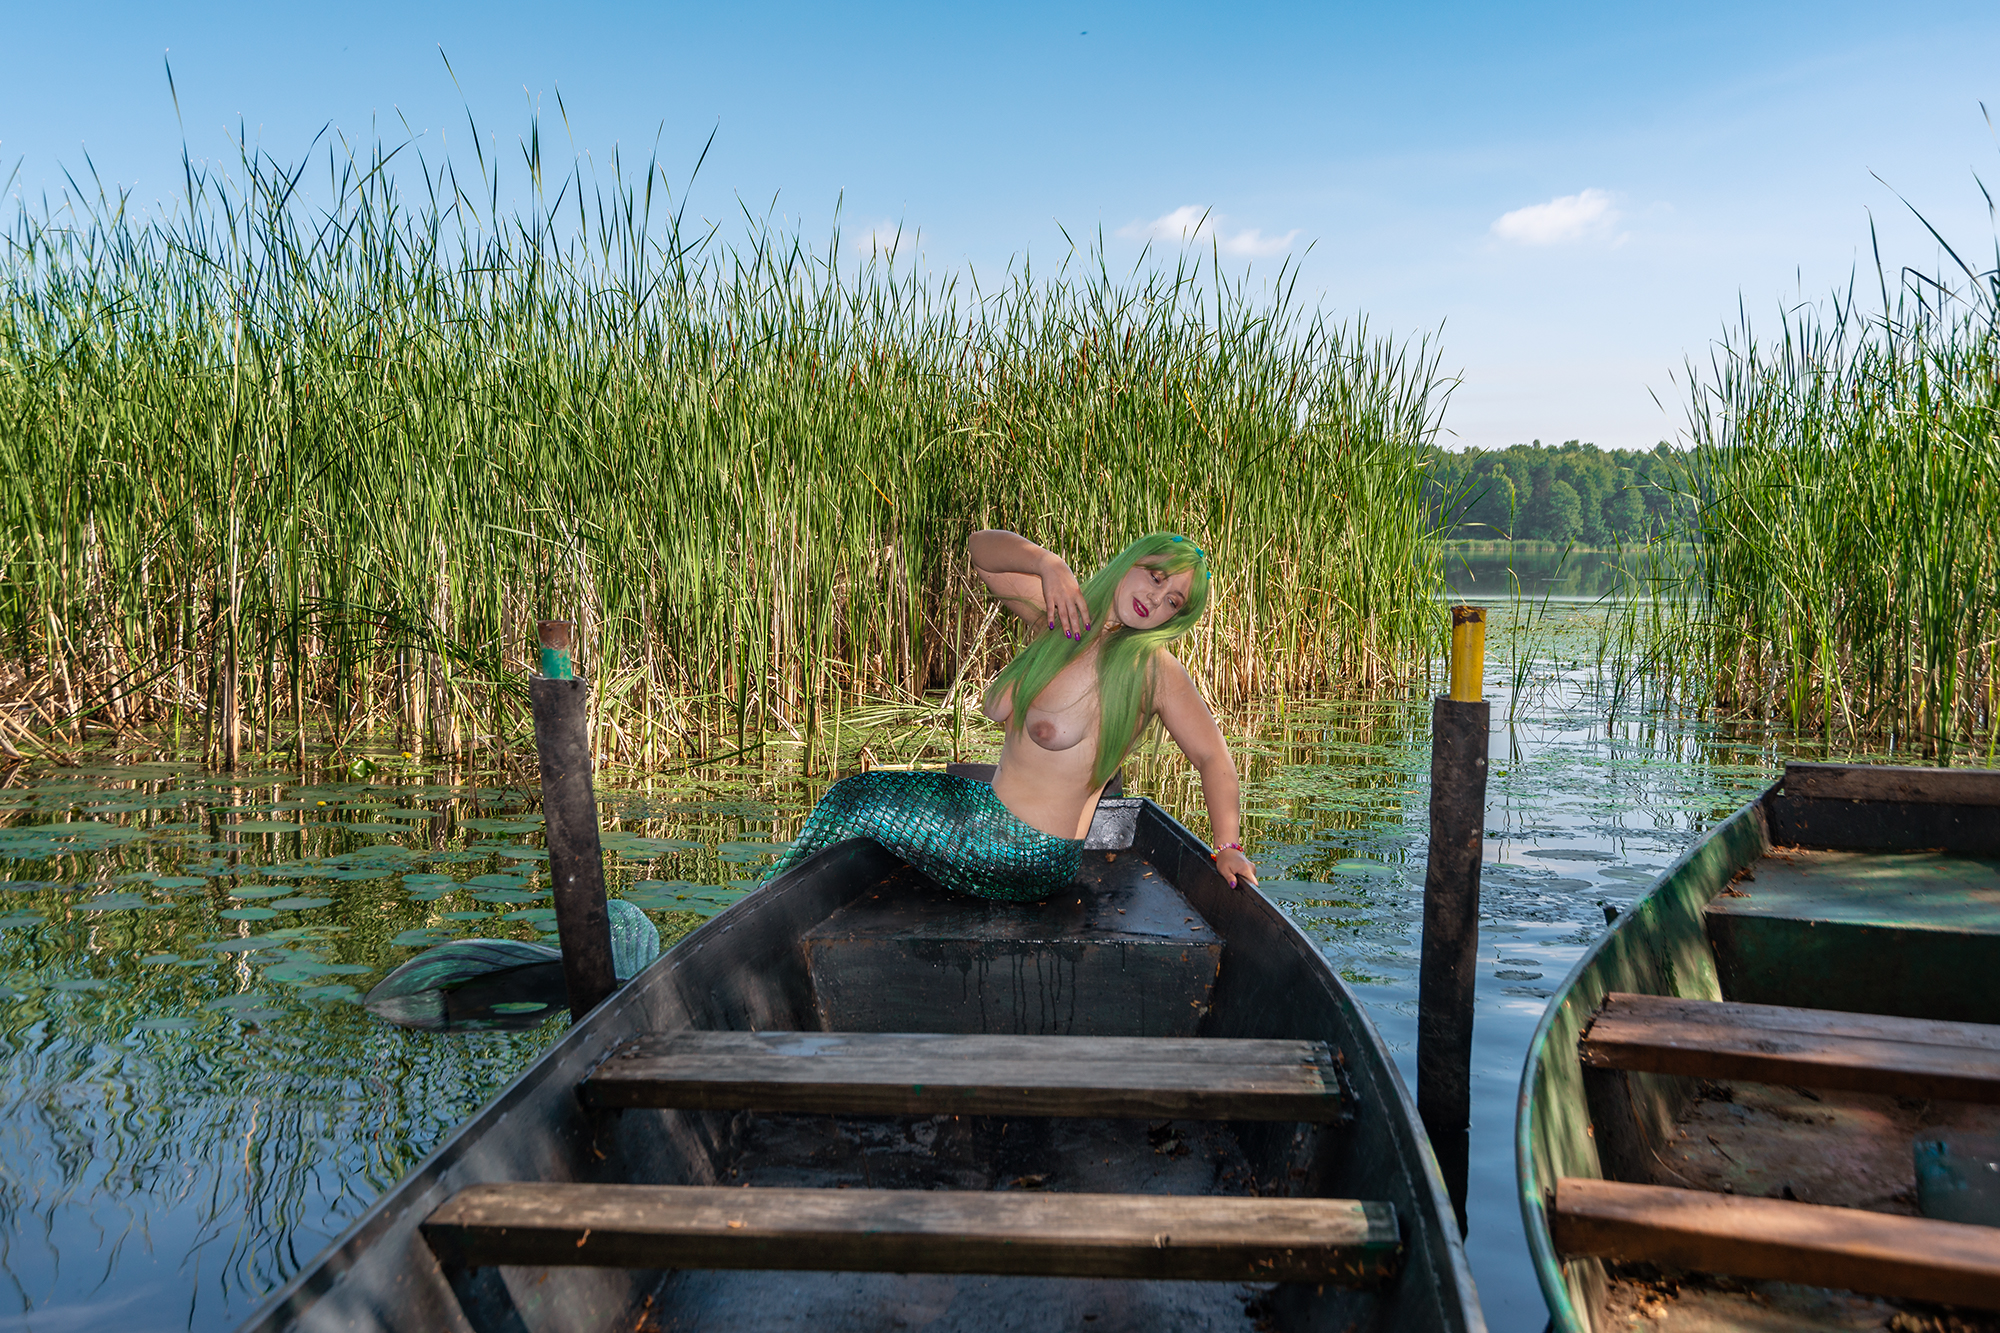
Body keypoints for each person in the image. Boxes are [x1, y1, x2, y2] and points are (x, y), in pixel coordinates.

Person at [763, 529, 1258, 900]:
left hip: (1029, 852)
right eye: (1155, 576)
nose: (1156, 598)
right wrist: (1048, 564)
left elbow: (1214, 758)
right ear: (1130, 562)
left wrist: (1227, 846)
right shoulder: (1062, 621)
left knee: (852, 801)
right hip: (988, 820)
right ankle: (776, 903)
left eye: (1172, 600)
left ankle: (766, 905)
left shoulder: (1152, 669)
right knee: (859, 808)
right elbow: (981, 551)